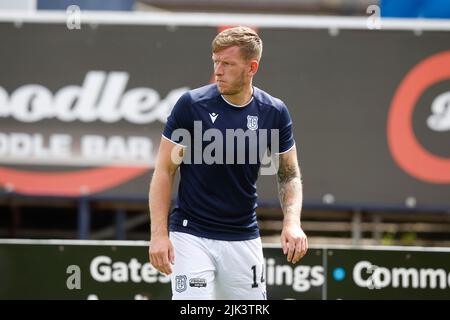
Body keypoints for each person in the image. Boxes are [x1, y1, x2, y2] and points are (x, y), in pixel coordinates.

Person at [149, 26, 307, 300]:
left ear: (252, 67)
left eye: (227, 64)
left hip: (243, 235)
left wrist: (292, 222)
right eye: (215, 63)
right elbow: (164, 170)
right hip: (190, 233)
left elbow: (289, 174)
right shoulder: (191, 105)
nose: (218, 71)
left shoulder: (274, 112)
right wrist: (159, 234)